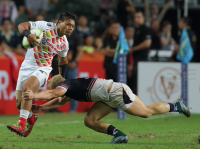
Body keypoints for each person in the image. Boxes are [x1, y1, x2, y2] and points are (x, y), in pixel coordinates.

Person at [22, 74, 191, 143]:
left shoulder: (67, 84)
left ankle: (176, 106)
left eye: (57, 89)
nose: (58, 92)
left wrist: (35, 95)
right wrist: (41, 108)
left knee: (146, 113)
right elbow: (59, 101)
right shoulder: (70, 91)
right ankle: (119, 135)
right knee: (89, 120)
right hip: (107, 98)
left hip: (116, 92)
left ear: (60, 84)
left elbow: (54, 94)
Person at [7, 12, 76, 137]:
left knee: (28, 89)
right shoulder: (44, 26)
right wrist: (28, 35)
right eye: (68, 24)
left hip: (43, 68)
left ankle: (21, 124)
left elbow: (63, 61)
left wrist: (62, 77)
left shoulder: (64, 43)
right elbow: (22, 25)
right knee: (19, 103)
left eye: (72, 26)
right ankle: (31, 118)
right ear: (59, 23)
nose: (71, 27)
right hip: (26, 67)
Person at [129, 11, 152, 93]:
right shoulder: (136, 30)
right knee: (134, 82)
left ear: (143, 18)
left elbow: (147, 43)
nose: (136, 19)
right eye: (135, 17)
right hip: (136, 60)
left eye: (139, 17)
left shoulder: (145, 29)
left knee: (140, 82)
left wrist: (134, 49)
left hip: (143, 60)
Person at [66, 31, 83, 112]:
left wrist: (75, 61)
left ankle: (73, 109)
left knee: (72, 86)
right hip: (60, 64)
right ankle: (53, 108)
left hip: (71, 65)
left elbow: (80, 50)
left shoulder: (76, 36)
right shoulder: (59, 35)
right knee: (57, 85)